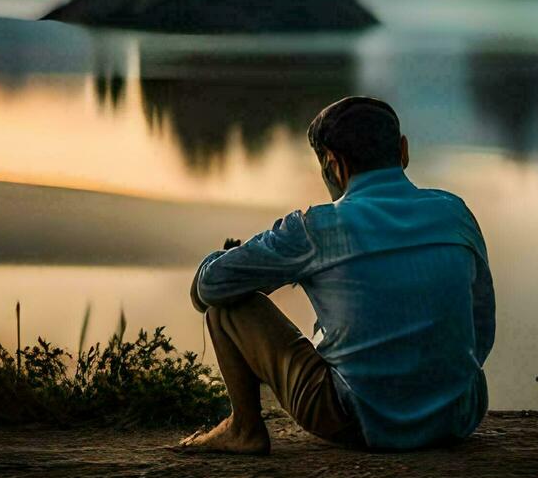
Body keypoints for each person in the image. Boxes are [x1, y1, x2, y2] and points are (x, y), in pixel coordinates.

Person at [180, 96, 495, 454]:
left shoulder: (317, 229)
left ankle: (243, 428)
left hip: (358, 421)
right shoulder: (454, 213)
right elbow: (482, 325)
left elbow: (207, 288)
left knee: (226, 309)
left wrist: (226, 260)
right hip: (459, 416)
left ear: (334, 164)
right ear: (403, 151)